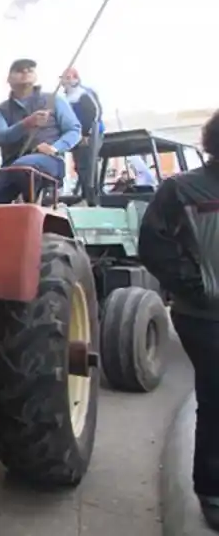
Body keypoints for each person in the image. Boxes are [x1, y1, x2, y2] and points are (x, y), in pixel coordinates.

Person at [138, 109, 219, 530]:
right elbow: (153, 247)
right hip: (203, 316)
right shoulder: (181, 190)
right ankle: (213, 492)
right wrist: (200, 287)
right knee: (217, 397)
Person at [0, 59, 81, 205]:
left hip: (49, 161)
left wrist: (54, 148)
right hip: (11, 167)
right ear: (8, 79)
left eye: (30, 69)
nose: (25, 72)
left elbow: (74, 130)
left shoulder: (54, 100)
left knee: (25, 166)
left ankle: (32, 204)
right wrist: (27, 123)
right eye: (19, 69)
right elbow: (2, 137)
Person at [61, 68, 104, 205]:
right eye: (64, 78)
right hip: (75, 136)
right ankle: (85, 196)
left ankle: (92, 199)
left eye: (68, 78)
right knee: (80, 166)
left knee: (88, 166)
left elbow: (96, 112)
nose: (65, 81)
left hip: (90, 134)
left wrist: (88, 133)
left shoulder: (84, 93)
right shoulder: (66, 98)